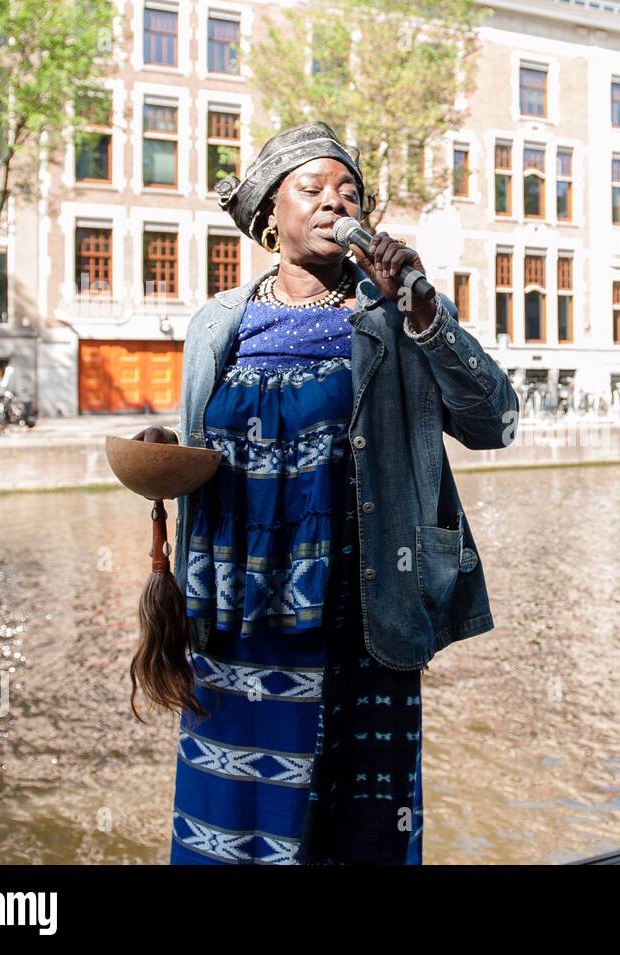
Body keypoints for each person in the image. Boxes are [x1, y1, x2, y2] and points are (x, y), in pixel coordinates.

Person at [130, 121, 519, 864]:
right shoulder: (219, 322)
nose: (333, 203)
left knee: (353, 835)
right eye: (311, 189)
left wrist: (421, 307)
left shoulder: (395, 317)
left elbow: (495, 421)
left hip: (356, 619)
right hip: (236, 625)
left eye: (349, 192)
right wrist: (164, 451)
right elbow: (210, 452)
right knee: (233, 825)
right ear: (270, 214)